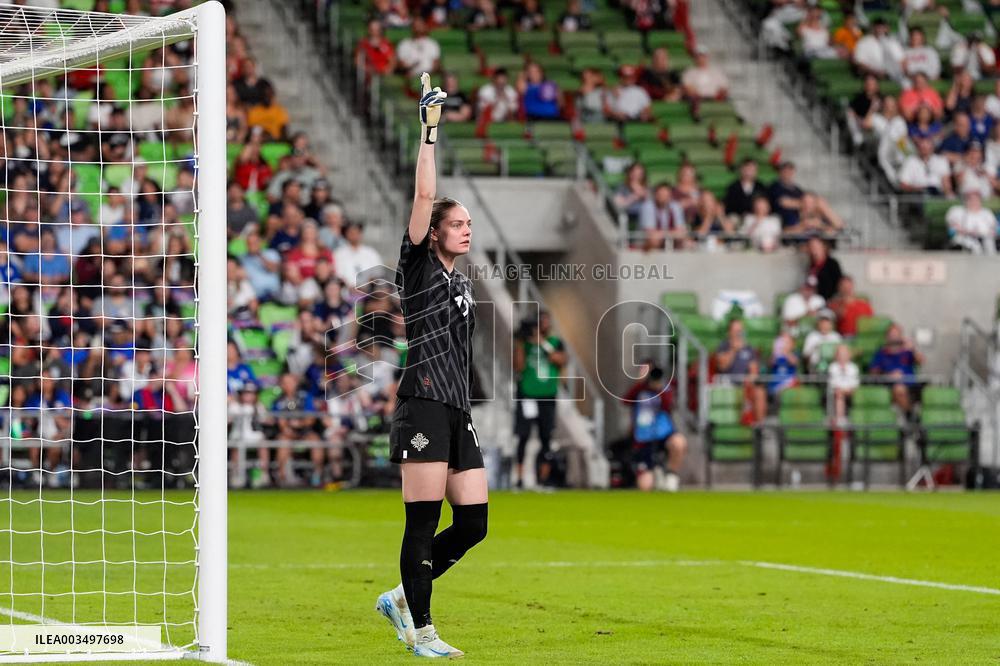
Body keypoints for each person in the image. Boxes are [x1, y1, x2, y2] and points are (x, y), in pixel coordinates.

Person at [376, 73, 485, 660]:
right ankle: (421, 630)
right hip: (421, 402)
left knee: (474, 525)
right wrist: (429, 133)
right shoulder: (418, 266)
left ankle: (400, 596)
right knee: (421, 523)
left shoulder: (460, 282)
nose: (466, 231)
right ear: (435, 232)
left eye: (469, 225)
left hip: (456, 408)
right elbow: (423, 197)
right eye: (458, 224)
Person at [512, 312, 566, 489]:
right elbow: (518, 366)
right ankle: (519, 479)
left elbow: (560, 360)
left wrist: (541, 342)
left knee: (546, 437)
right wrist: (521, 343)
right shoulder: (524, 343)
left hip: (547, 395)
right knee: (523, 436)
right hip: (527, 395)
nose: (542, 325)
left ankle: (543, 479)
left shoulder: (554, 342)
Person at [622, 365, 687, 492]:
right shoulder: (639, 390)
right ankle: (656, 472)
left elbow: (668, 406)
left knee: (679, 442)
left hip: (663, 434)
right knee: (645, 486)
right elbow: (625, 401)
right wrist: (640, 383)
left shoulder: (664, 389)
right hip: (644, 437)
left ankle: (671, 475)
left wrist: (659, 390)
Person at [714, 318, 767, 423]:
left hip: (745, 384)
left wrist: (750, 379)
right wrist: (733, 350)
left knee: (760, 392)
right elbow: (722, 366)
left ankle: (760, 426)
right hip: (727, 383)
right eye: (736, 330)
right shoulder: (723, 346)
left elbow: (754, 371)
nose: (738, 333)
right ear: (730, 332)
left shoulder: (749, 348)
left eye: (740, 330)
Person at [869, 323, 923, 414]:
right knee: (899, 389)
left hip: (911, 386)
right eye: (892, 335)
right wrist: (888, 375)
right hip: (890, 385)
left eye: (896, 335)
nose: (894, 337)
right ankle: (910, 415)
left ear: (901, 336)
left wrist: (913, 349)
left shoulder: (908, 351)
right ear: (887, 337)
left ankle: (911, 413)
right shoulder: (881, 353)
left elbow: (921, 361)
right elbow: (873, 372)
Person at [638, 181, 687, 250]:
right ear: (655, 195)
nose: (663, 197)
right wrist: (673, 233)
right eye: (660, 195)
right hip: (647, 243)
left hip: (669, 240)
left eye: (666, 195)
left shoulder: (675, 206)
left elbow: (681, 231)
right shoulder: (647, 206)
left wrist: (664, 234)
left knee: (687, 243)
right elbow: (650, 233)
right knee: (654, 241)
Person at [828, 344, 859, 422]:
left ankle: (843, 418)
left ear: (849, 355)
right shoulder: (833, 367)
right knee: (839, 395)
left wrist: (848, 389)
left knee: (841, 393)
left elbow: (855, 383)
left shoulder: (853, 367)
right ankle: (840, 419)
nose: (842, 356)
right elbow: (833, 383)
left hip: (850, 390)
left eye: (844, 354)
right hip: (837, 390)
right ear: (836, 356)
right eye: (840, 354)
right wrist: (841, 390)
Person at [806, 236, 843, 301]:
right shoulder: (811, 265)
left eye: (816, 246)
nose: (813, 249)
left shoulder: (832, 264)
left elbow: (839, 283)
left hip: (830, 299)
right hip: (815, 299)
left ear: (823, 247)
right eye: (811, 246)